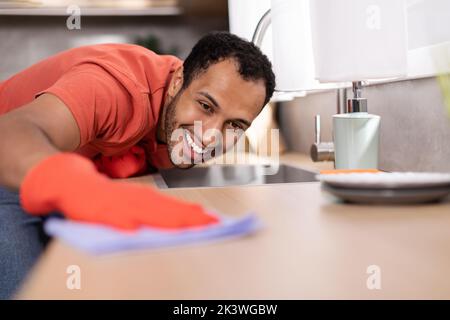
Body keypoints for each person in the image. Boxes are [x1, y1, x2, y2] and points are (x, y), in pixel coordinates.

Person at [0, 31, 275, 298]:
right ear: (179, 80)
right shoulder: (112, 86)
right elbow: (9, 136)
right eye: (205, 106)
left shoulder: (175, 121)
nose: (209, 136)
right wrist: (79, 189)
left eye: (235, 125)